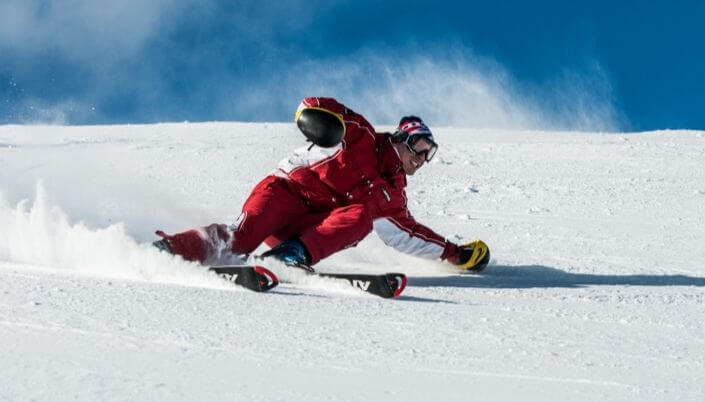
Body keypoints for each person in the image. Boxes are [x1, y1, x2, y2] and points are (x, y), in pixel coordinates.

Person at [153, 97, 489, 272]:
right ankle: (172, 250)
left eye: (429, 154)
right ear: (401, 139)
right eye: (419, 147)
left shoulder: (392, 196)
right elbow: (317, 105)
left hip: (305, 230)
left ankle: (288, 257)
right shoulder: (361, 136)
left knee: (360, 218)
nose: (422, 158)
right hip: (284, 193)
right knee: (241, 238)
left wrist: (455, 254)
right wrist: (315, 121)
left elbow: (410, 236)